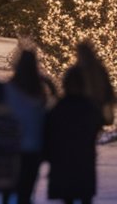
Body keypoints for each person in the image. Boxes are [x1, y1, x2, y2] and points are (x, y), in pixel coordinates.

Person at [43, 66, 103, 204]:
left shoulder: (59, 107)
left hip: (62, 161)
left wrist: (48, 154)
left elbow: (48, 131)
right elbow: (98, 125)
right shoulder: (90, 107)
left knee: (67, 197)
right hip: (84, 160)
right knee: (85, 196)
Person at [5, 49, 56, 204]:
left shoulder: (10, 88)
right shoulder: (41, 89)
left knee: (11, 185)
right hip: (35, 146)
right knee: (27, 187)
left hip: (11, 144)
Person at [72, 40, 115, 127]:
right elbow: (108, 88)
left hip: (86, 108)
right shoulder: (100, 69)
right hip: (97, 105)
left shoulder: (75, 72)